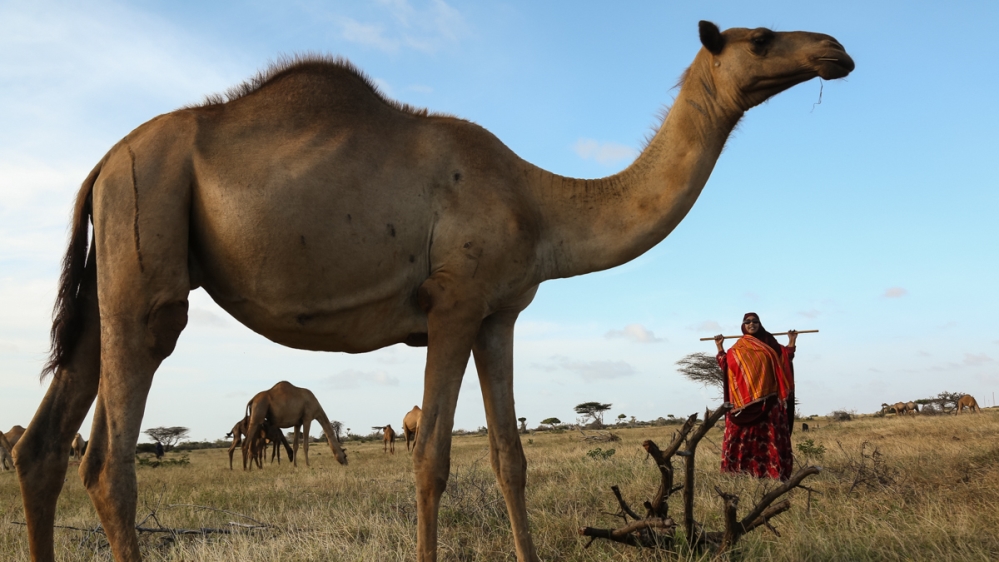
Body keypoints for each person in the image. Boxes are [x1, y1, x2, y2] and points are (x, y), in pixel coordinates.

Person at [714, 313, 797, 481]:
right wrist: (719, 347)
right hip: (741, 406)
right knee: (738, 439)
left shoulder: (770, 344)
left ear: (760, 324)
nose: (752, 324)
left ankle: (773, 474)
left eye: (755, 321)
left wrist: (792, 341)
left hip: (769, 402)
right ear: (743, 325)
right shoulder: (736, 348)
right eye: (748, 322)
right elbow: (726, 365)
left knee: (770, 439)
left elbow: (785, 359)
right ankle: (736, 474)